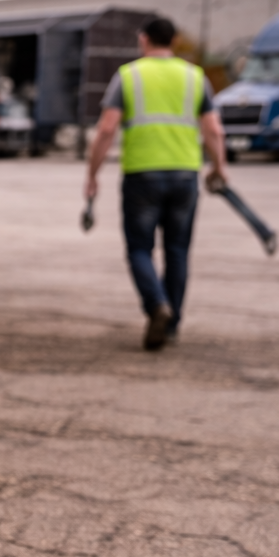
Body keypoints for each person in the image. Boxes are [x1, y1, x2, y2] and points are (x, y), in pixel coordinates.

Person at [84, 17, 229, 350]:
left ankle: (156, 305)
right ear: (174, 41)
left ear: (143, 40)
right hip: (184, 175)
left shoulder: (129, 76)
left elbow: (107, 129)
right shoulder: (196, 78)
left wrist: (92, 174)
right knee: (177, 251)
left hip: (142, 175)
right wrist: (219, 167)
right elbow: (213, 130)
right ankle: (172, 323)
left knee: (139, 248)